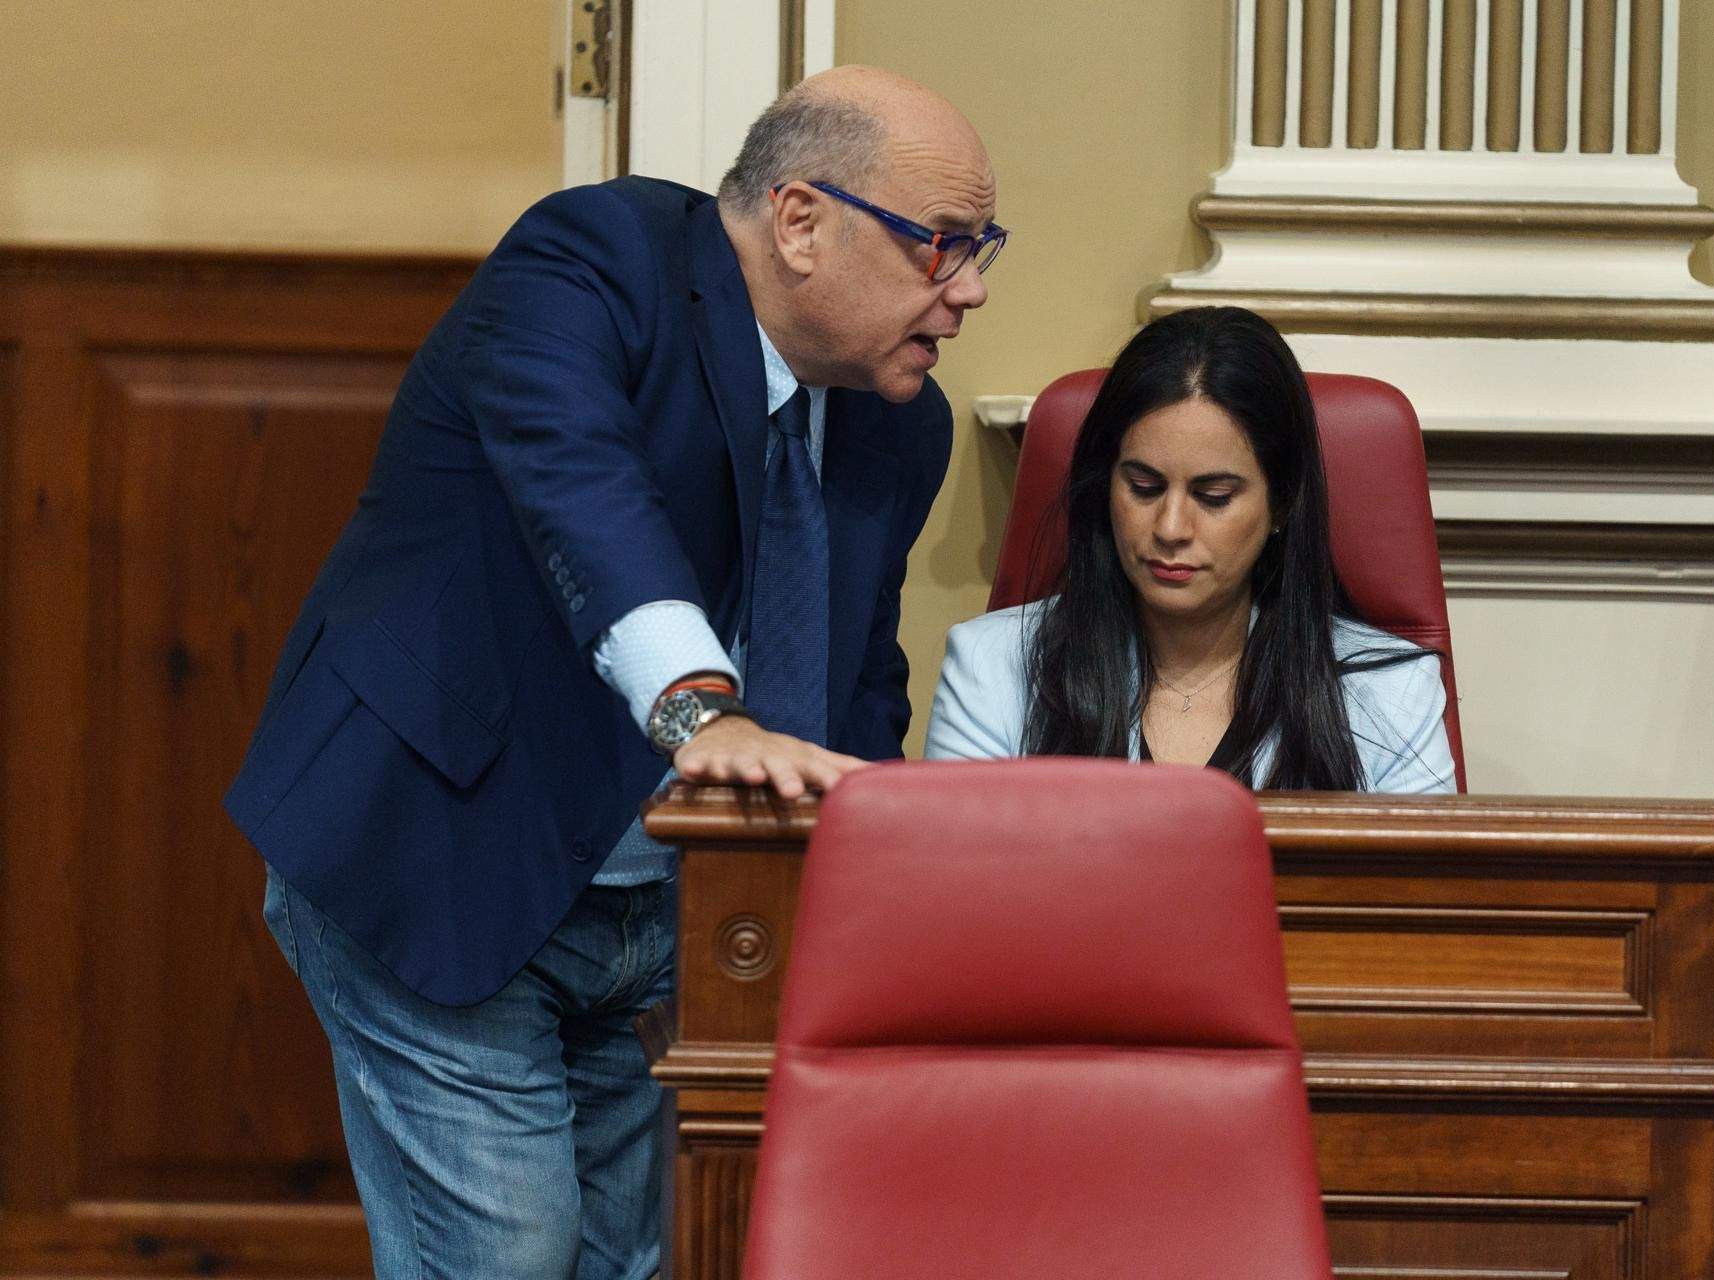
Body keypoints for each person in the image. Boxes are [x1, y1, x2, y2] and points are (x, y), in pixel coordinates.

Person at [223, 67, 1000, 1278]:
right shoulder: (593, 261)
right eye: (942, 247)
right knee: (511, 1253)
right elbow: (583, 489)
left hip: (662, 912)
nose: (972, 291)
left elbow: (858, 680)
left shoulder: (901, 423)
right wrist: (702, 706)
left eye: (980, 249)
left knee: (637, 1259)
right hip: (438, 839)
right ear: (801, 220)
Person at [924, 306, 1453, 794]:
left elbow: (1417, 895)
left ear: (1283, 504)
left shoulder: (1392, 692)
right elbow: (956, 888)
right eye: (1143, 487)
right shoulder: (991, 668)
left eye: (1213, 497)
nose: (1171, 528)